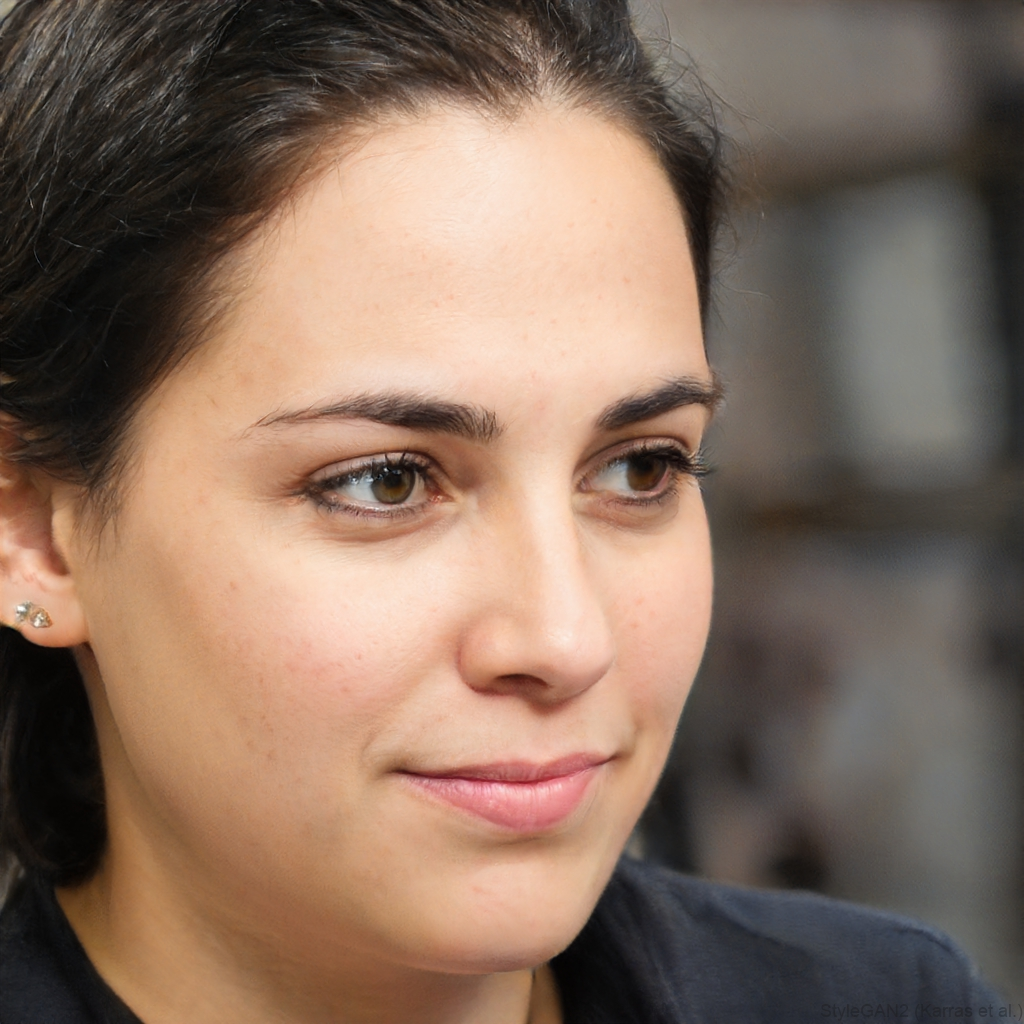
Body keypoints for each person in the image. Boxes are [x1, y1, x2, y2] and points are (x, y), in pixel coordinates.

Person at [0, 2, 1005, 1022]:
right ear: (31, 532)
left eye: (640, 469)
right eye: (387, 482)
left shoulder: (891, 1004)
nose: (566, 641)